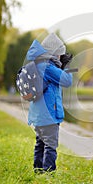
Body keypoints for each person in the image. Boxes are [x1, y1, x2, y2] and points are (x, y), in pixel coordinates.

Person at [25, 33, 73, 174]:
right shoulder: (48, 67)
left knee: (40, 144)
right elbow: (67, 81)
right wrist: (67, 67)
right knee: (50, 146)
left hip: (39, 115)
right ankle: (48, 174)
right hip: (49, 115)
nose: (60, 58)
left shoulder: (38, 64)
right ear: (54, 54)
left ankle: (38, 170)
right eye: (60, 55)